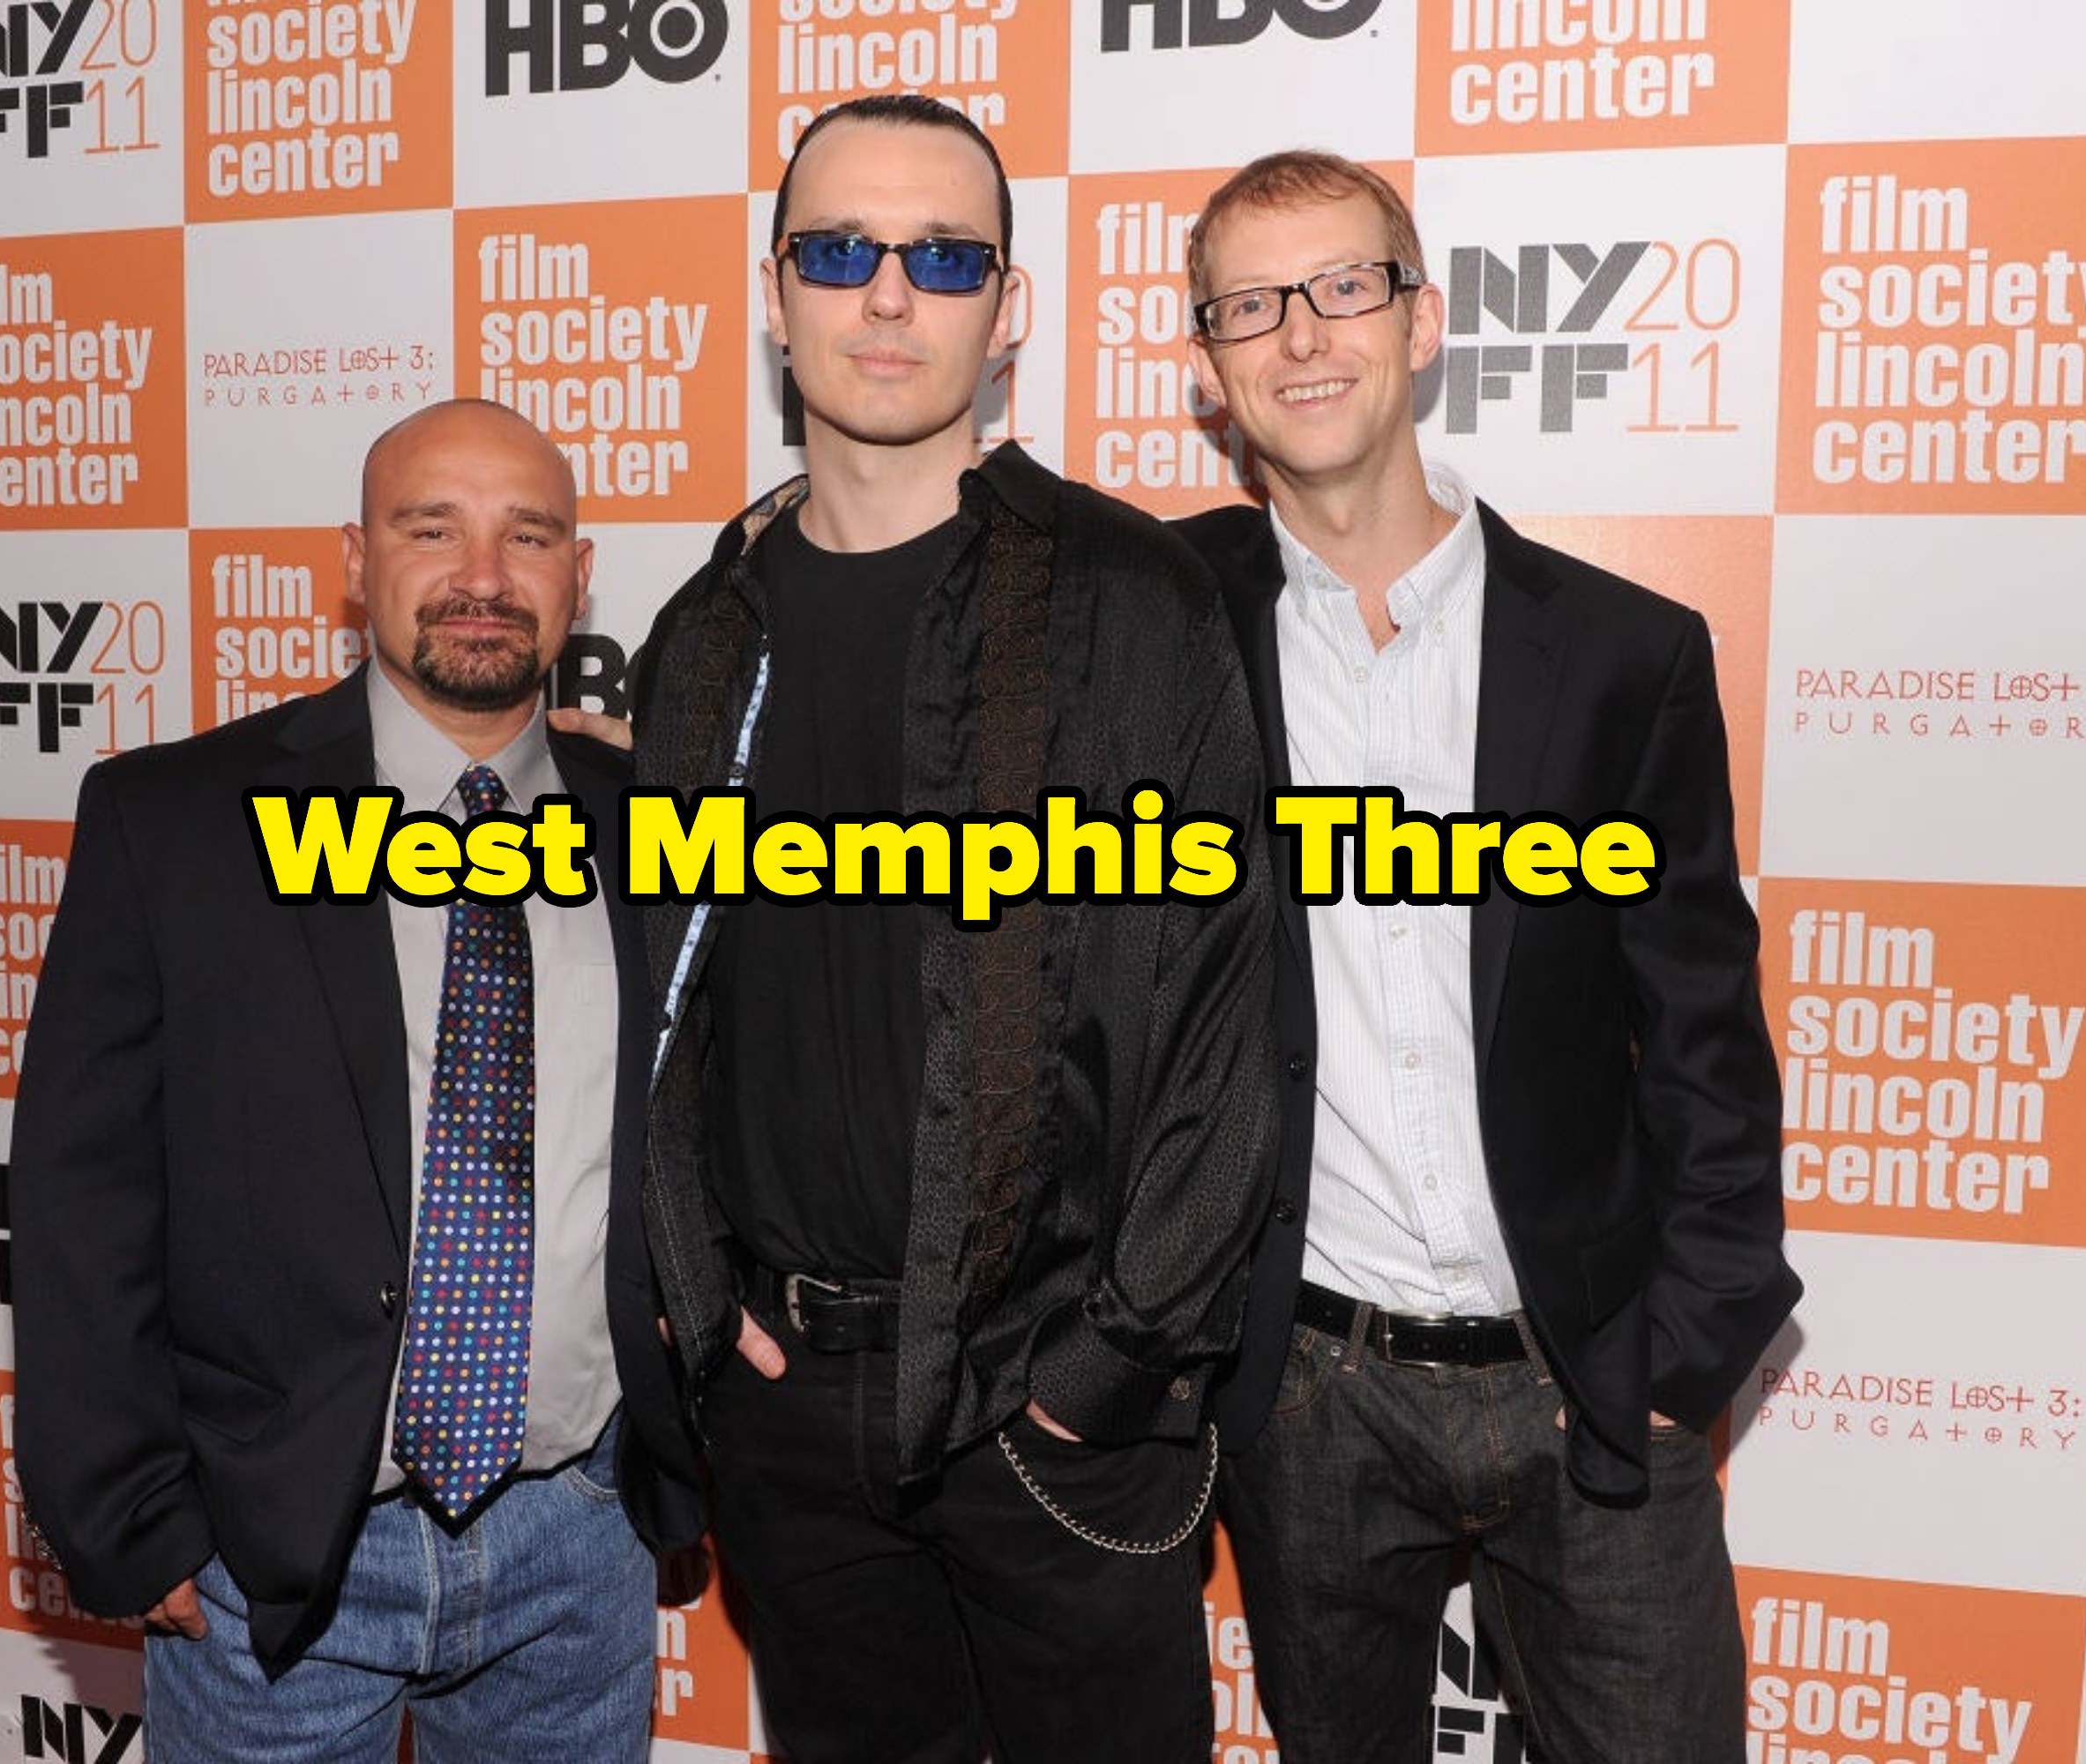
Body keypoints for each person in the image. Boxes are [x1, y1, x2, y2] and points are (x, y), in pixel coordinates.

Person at [631, 94, 1275, 1764]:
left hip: (1051, 1414)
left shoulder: (1130, 601)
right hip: (783, 1411)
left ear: (1014, 307)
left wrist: (1107, 1364)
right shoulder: (702, 634)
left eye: (943, 256)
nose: (890, 296)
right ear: (774, 295)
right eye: (840, 253)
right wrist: (706, 1317)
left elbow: (1225, 1022)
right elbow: (666, 1016)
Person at [1175, 152, 1799, 1764]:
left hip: (1585, 1371)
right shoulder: (1160, 626)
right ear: (1210, 363)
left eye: (1340, 287)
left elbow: (1705, 1041)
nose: (1300, 335)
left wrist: (1682, 1356)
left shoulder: (1619, 655)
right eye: (1248, 305)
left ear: (1422, 319)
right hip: (1304, 1386)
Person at [10, 399, 698, 1762]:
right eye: (430, 528)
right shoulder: (175, 821)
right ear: (353, 559)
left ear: (579, 573)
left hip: (582, 1546)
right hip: (273, 1551)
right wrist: (123, 1507)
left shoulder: (657, 830)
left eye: (529, 536)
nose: (484, 578)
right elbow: (82, 1196)